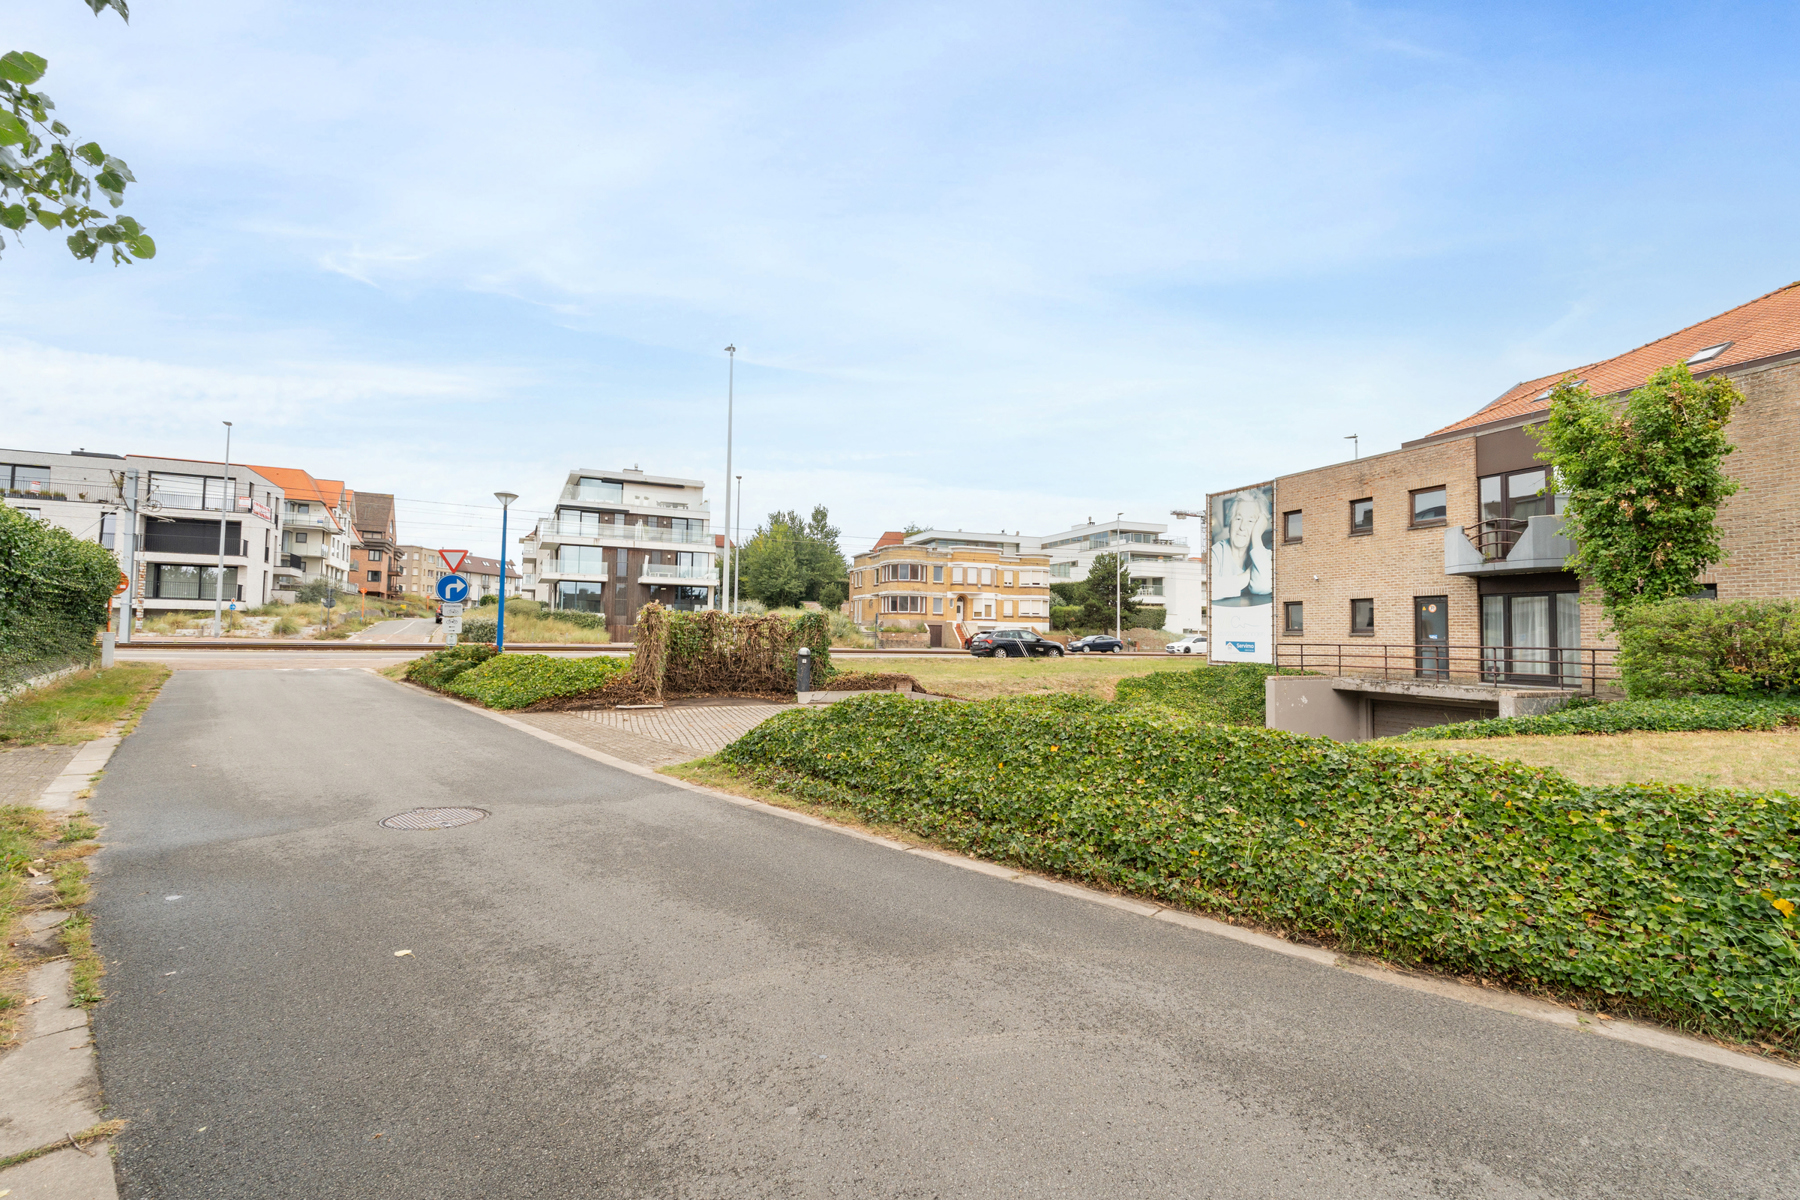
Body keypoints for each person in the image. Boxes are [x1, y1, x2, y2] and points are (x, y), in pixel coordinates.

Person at [1210, 489, 1273, 605]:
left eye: (1250, 521)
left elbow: (1264, 586)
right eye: (1238, 519)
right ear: (1230, 521)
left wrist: (1256, 535)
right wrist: (1249, 574)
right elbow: (1211, 590)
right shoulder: (1215, 552)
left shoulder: (1266, 555)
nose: (1242, 527)